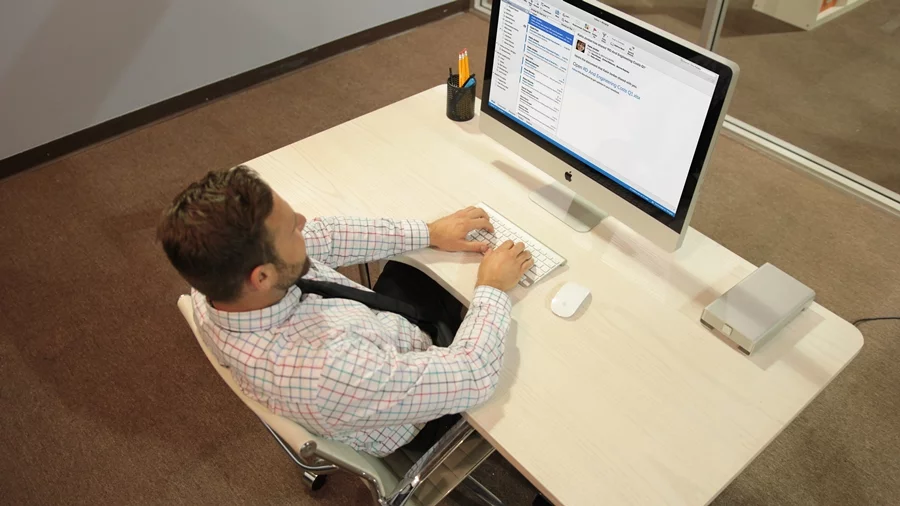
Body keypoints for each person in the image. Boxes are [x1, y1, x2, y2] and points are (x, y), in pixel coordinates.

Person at [157, 165, 533, 456]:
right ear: (262, 276)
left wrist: (429, 232)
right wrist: (492, 288)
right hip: (418, 412)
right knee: (531, 346)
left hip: (379, 334)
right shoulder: (324, 371)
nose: (304, 222)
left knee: (428, 265)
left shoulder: (216, 282)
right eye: (291, 230)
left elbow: (328, 236)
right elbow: (473, 374)